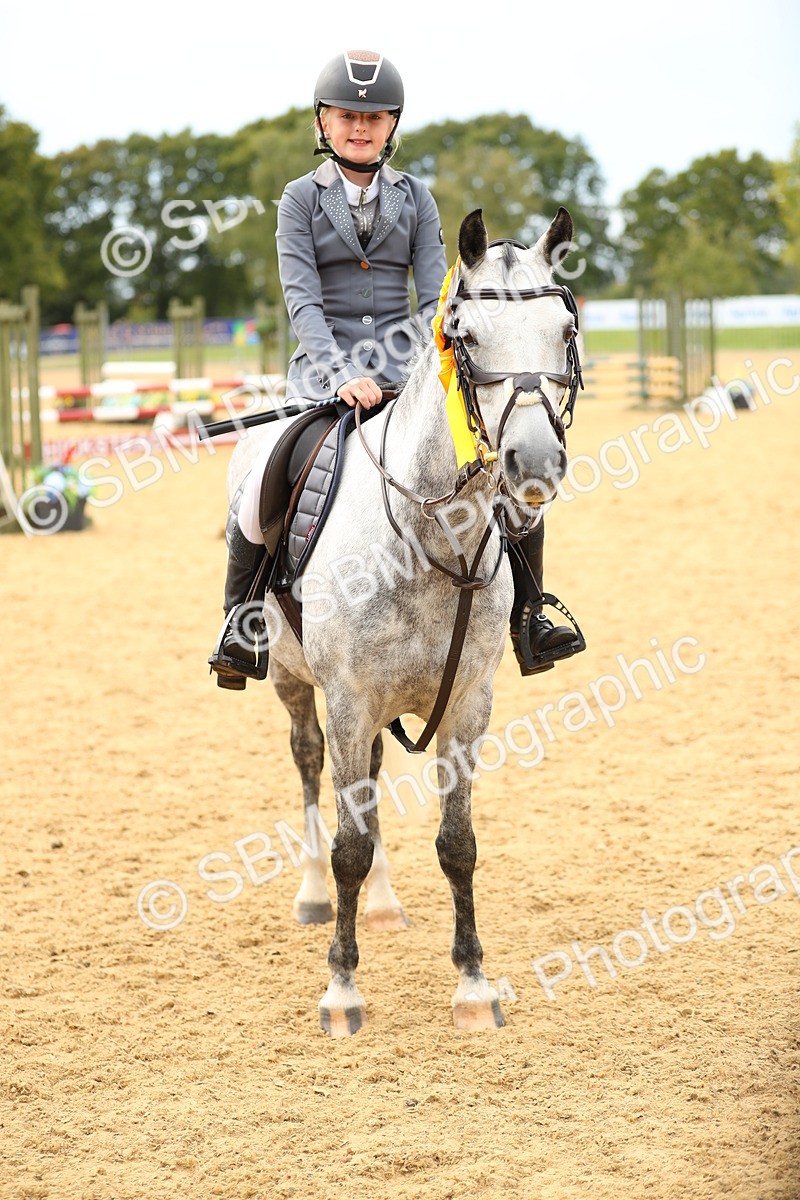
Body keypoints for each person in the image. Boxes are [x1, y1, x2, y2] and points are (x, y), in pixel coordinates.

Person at [208, 49, 582, 690]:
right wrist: (336, 376)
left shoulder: (417, 198)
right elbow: (302, 299)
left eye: (375, 116)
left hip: (411, 374)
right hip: (321, 378)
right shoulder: (297, 201)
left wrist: (420, 372)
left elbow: (437, 296)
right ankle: (242, 625)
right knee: (262, 483)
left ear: (392, 125)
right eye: (347, 116)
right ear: (322, 123)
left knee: (502, 476)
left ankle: (529, 612)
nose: (361, 127)